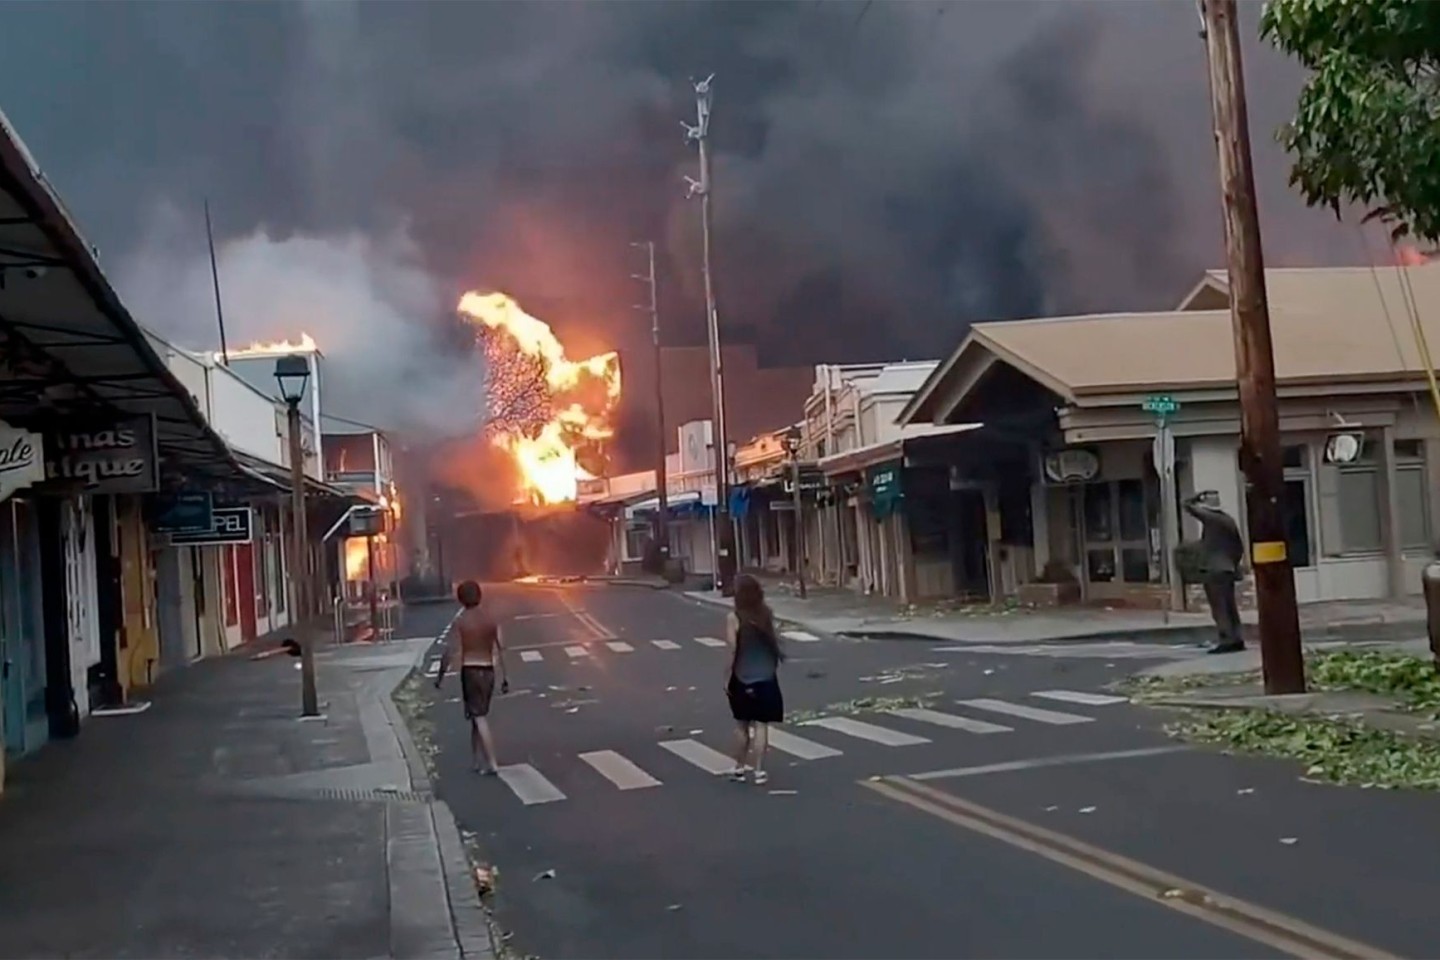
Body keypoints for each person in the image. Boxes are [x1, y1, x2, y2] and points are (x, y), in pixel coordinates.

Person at [434, 580, 509, 773]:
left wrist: (440, 676)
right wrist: (505, 678)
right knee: (475, 715)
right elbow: (501, 648)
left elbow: (449, 651)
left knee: (479, 716)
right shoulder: (491, 618)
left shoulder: (461, 621)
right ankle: (476, 760)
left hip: (471, 671)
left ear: (461, 598)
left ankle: (492, 762)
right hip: (488, 671)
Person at [723, 574, 786, 785]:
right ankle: (759, 771)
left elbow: (733, 649)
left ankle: (739, 768)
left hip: (742, 677)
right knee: (761, 725)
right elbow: (774, 641)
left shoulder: (734, 617)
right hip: (767, 676)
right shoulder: (766, 614)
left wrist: (727, 675)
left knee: (741, 725)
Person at [1183, 490, 1246, 654]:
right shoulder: (1229, 520)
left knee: (1219, 606)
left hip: (1213, 569)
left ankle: (1226, 639)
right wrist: (1232, 563)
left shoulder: (1211, 519)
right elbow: (1238, 547)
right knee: (1230, 605)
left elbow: (1187, 506)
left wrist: (1196, 497)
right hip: (1227, 568)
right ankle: (1237, 637)